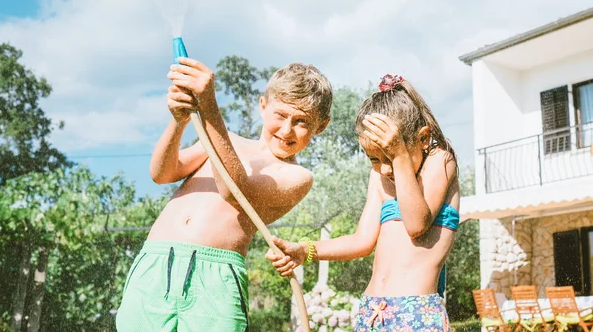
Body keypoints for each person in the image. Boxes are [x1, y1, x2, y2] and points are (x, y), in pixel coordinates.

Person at [116, 59, 332, 332]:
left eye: (302, 121)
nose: (287, 130)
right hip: (156, 262)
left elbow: (233, 190)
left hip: (215, 277)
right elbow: (163, 173)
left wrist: (208, 106)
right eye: (281, 115)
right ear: (263, 106)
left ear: (321, 126)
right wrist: (179, 120)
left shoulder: (297, 176)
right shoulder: (226, 139)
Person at [266, 74, 460, 332]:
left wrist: (399, 155)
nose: (384, 169)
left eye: (389, 156)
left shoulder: (441, 159)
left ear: (423, 139)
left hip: (415, 313)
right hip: (372, 311)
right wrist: (305, 250)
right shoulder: (380, 176)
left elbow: (416, 224)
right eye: (373, 159)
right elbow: (361, 241)